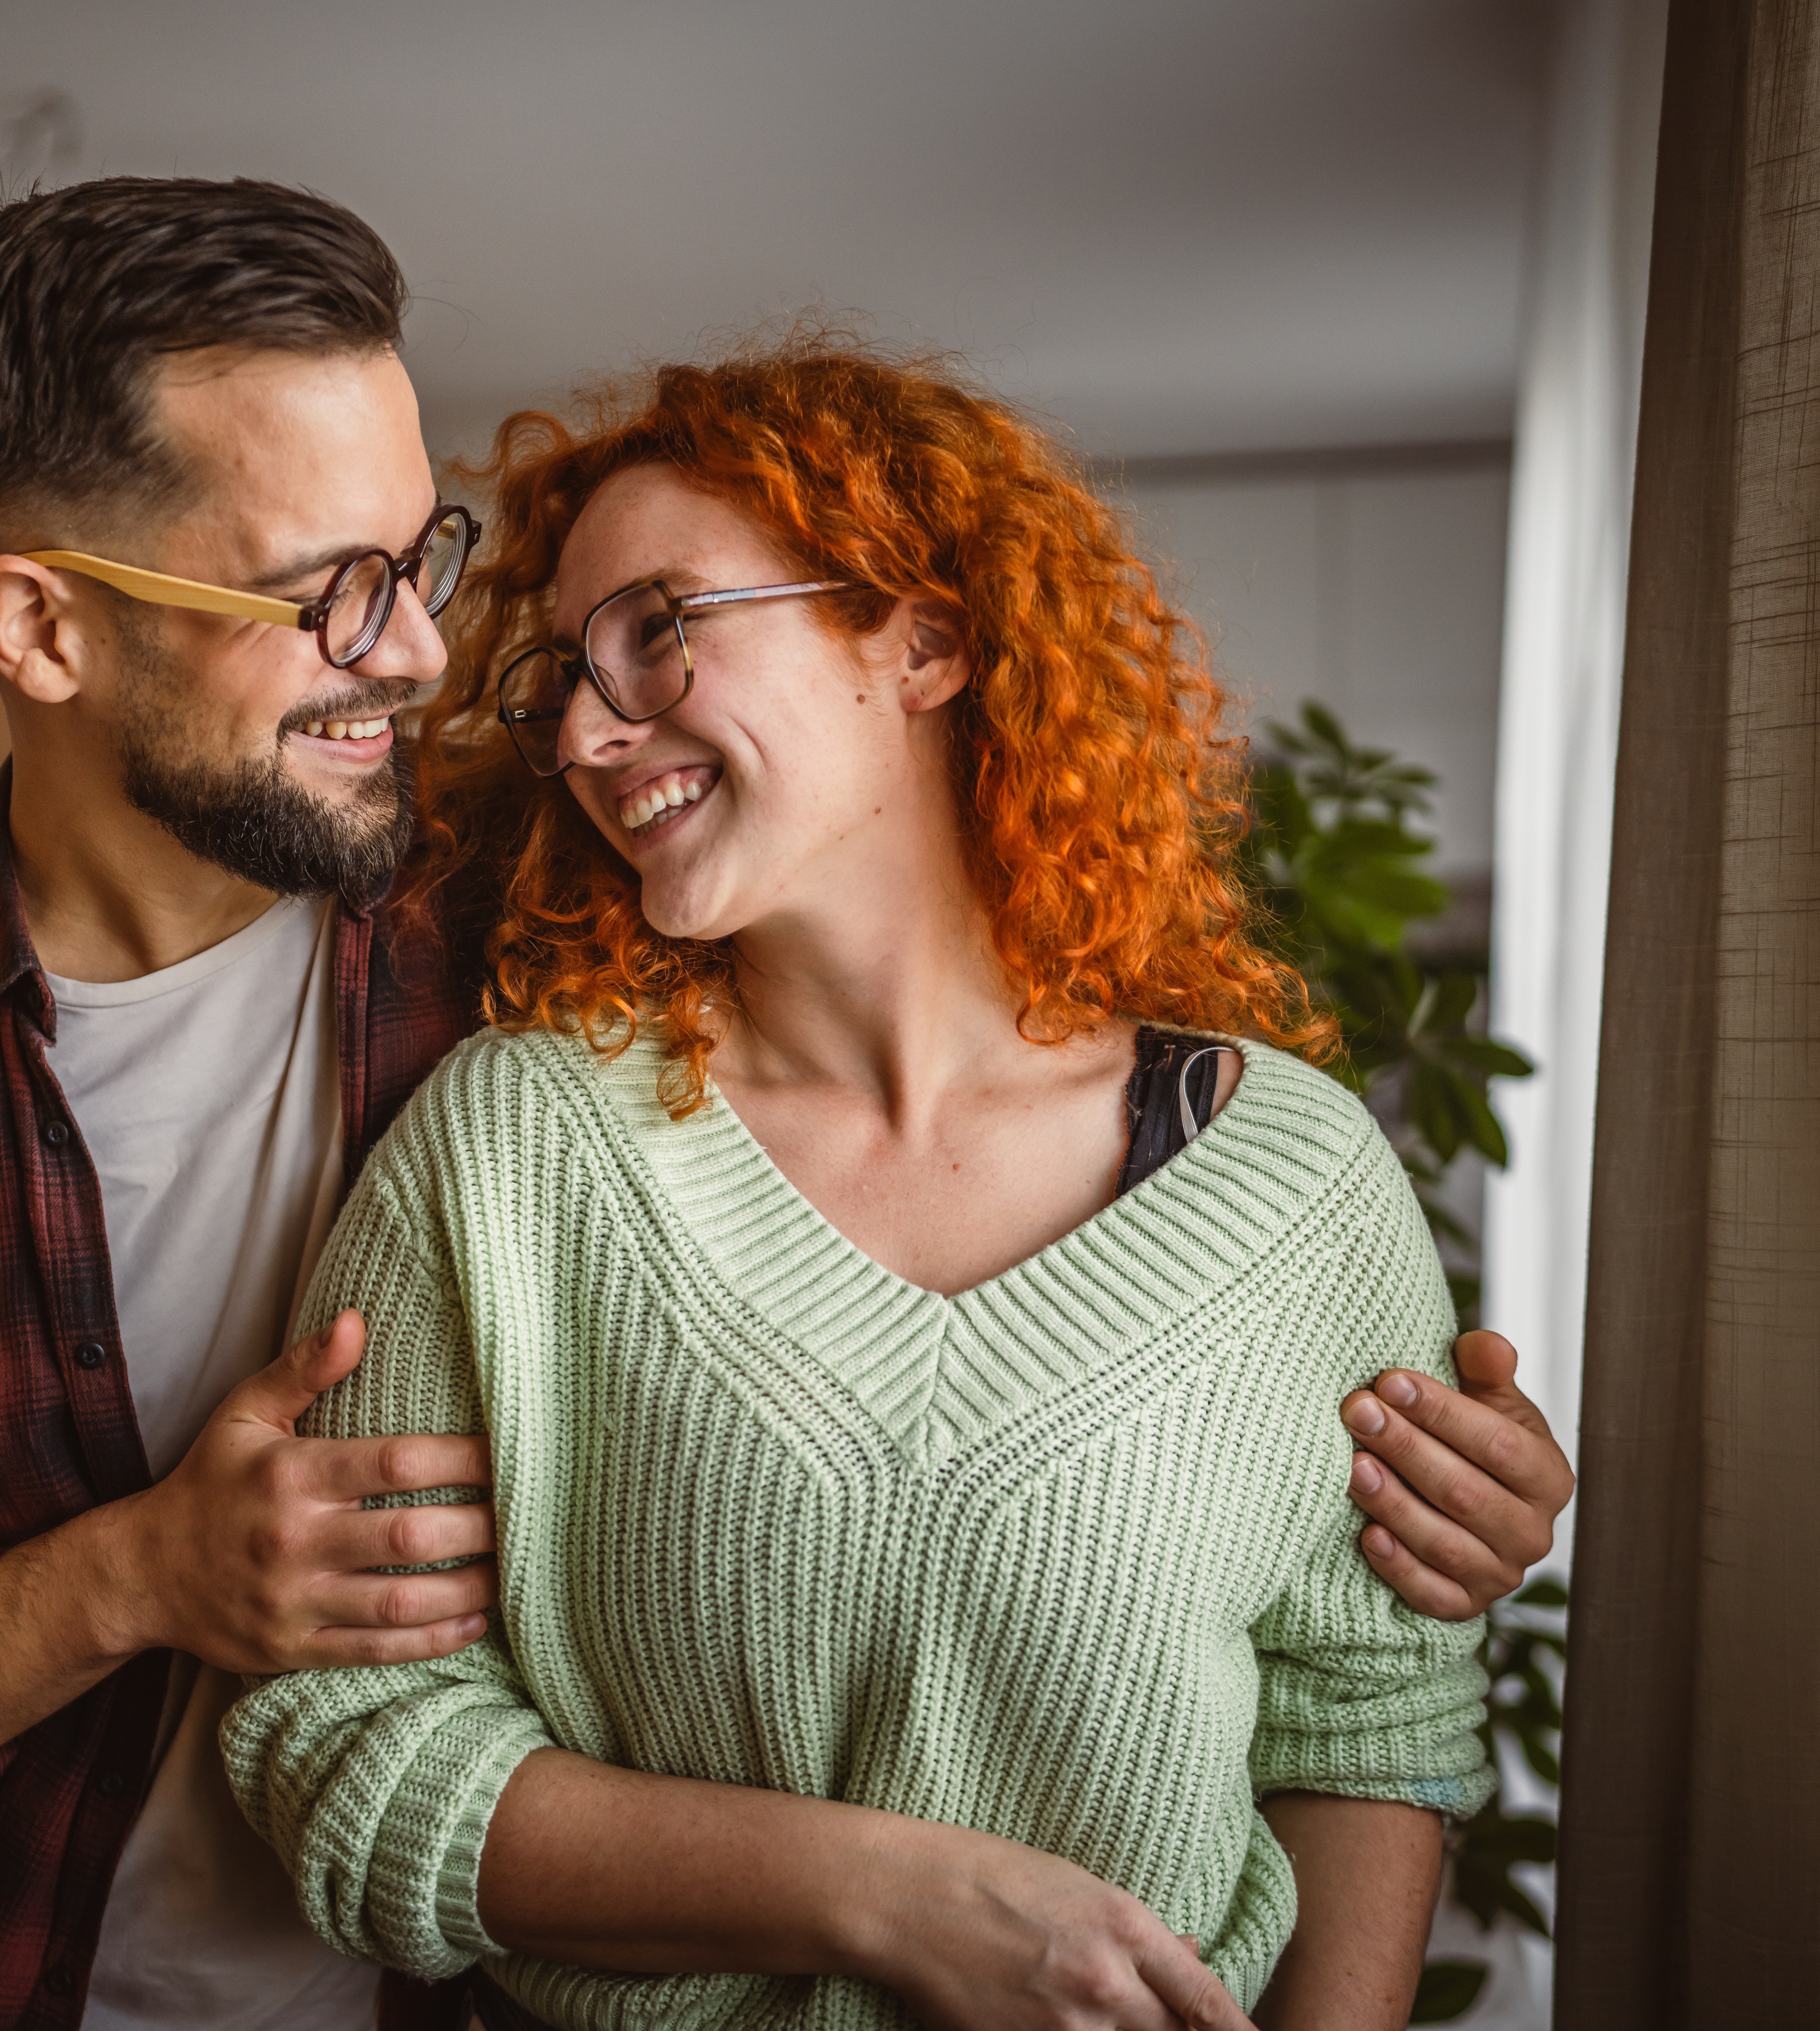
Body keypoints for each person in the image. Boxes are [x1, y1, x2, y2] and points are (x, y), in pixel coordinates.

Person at [0, 179, 1575, 2031]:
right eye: (327, 589)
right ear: (42, 630)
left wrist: (1388, 1487)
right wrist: (132, 1573)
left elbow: (977, 1098)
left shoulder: (549, 902)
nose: (424, 658)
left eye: (420, 561)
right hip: (2, 1979)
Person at [226, 343, 1516, 2031]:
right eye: (565, 678)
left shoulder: (1295, 1183)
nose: (597, 733)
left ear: (922, 639)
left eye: (661, 630)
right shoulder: (511, 1154)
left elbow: (1367, 1716)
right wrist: (900, 1899)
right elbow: (351, 1751)